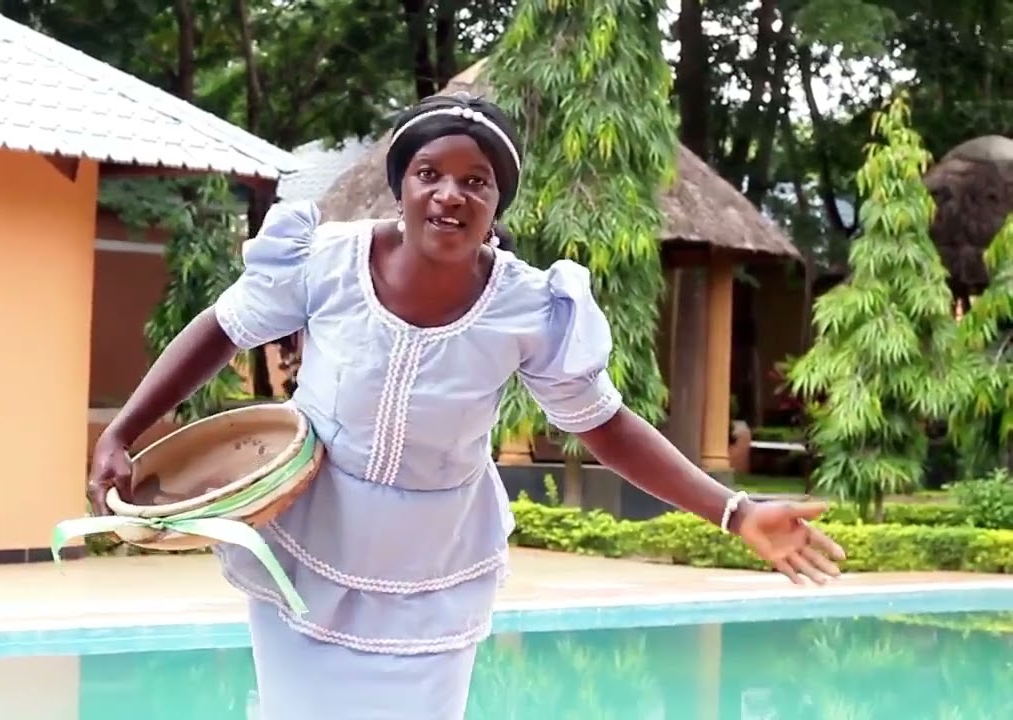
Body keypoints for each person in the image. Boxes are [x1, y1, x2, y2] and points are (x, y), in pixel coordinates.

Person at [87, 92, 845, 719]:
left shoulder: (529, 307)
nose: (450, 194)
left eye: (475, 181)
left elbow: (604, 424)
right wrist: (124, 430)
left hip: (434, 567)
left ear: (496, 201)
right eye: (429, 173)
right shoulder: (325, 263)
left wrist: (735, 511)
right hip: (310, 546)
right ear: (402, 186)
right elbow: (224, 328)